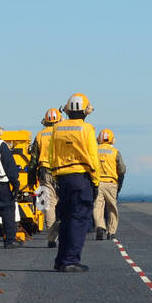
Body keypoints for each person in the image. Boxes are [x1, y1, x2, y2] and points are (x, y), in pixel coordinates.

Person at [49, 93, 101, 273]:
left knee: (66, 219)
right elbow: (93, 158)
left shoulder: (57, 128)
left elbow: (51, 154)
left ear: (68, 110)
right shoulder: (87, 129)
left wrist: (56, 176)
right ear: (86, 111)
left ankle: (61, 260)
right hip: (81, 177)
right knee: (78, 219)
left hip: (62, 178)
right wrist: (95, 182)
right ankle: (70, 260)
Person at [29, 108, 62, 247]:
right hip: (61, 172)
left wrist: (31, 177)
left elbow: (34, 158)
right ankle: (64, 229)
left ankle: (51, 237)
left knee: (48, 205)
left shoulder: (40, 135)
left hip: (44, 172)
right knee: (63, 203)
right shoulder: (62, 133)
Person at [93, 129, 126, 241]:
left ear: (99, 139)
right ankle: (111, 232)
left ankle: (100, 226)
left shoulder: (94, 150)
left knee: (98, 206)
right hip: (111, 183)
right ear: (112, 140)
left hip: (98, 183)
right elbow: (122, 169)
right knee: (112, 207)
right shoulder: (115, 152)